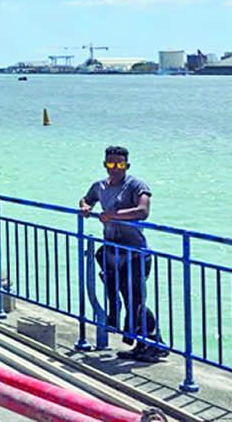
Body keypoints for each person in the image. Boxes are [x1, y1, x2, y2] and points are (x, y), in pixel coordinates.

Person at [79, 145, 166, 362]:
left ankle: (153, 343)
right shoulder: (99, 186)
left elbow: (143, 211)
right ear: (105, 164)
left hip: (135, 253)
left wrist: (113, 215)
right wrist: (85, 207)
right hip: (112, 251)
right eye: (111, 163)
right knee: (127, 299)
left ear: (127, 165)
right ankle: (146, 343)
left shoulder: (136, 185)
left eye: (120, 164)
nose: (115, 168)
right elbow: (86, 199)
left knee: (135, 300)